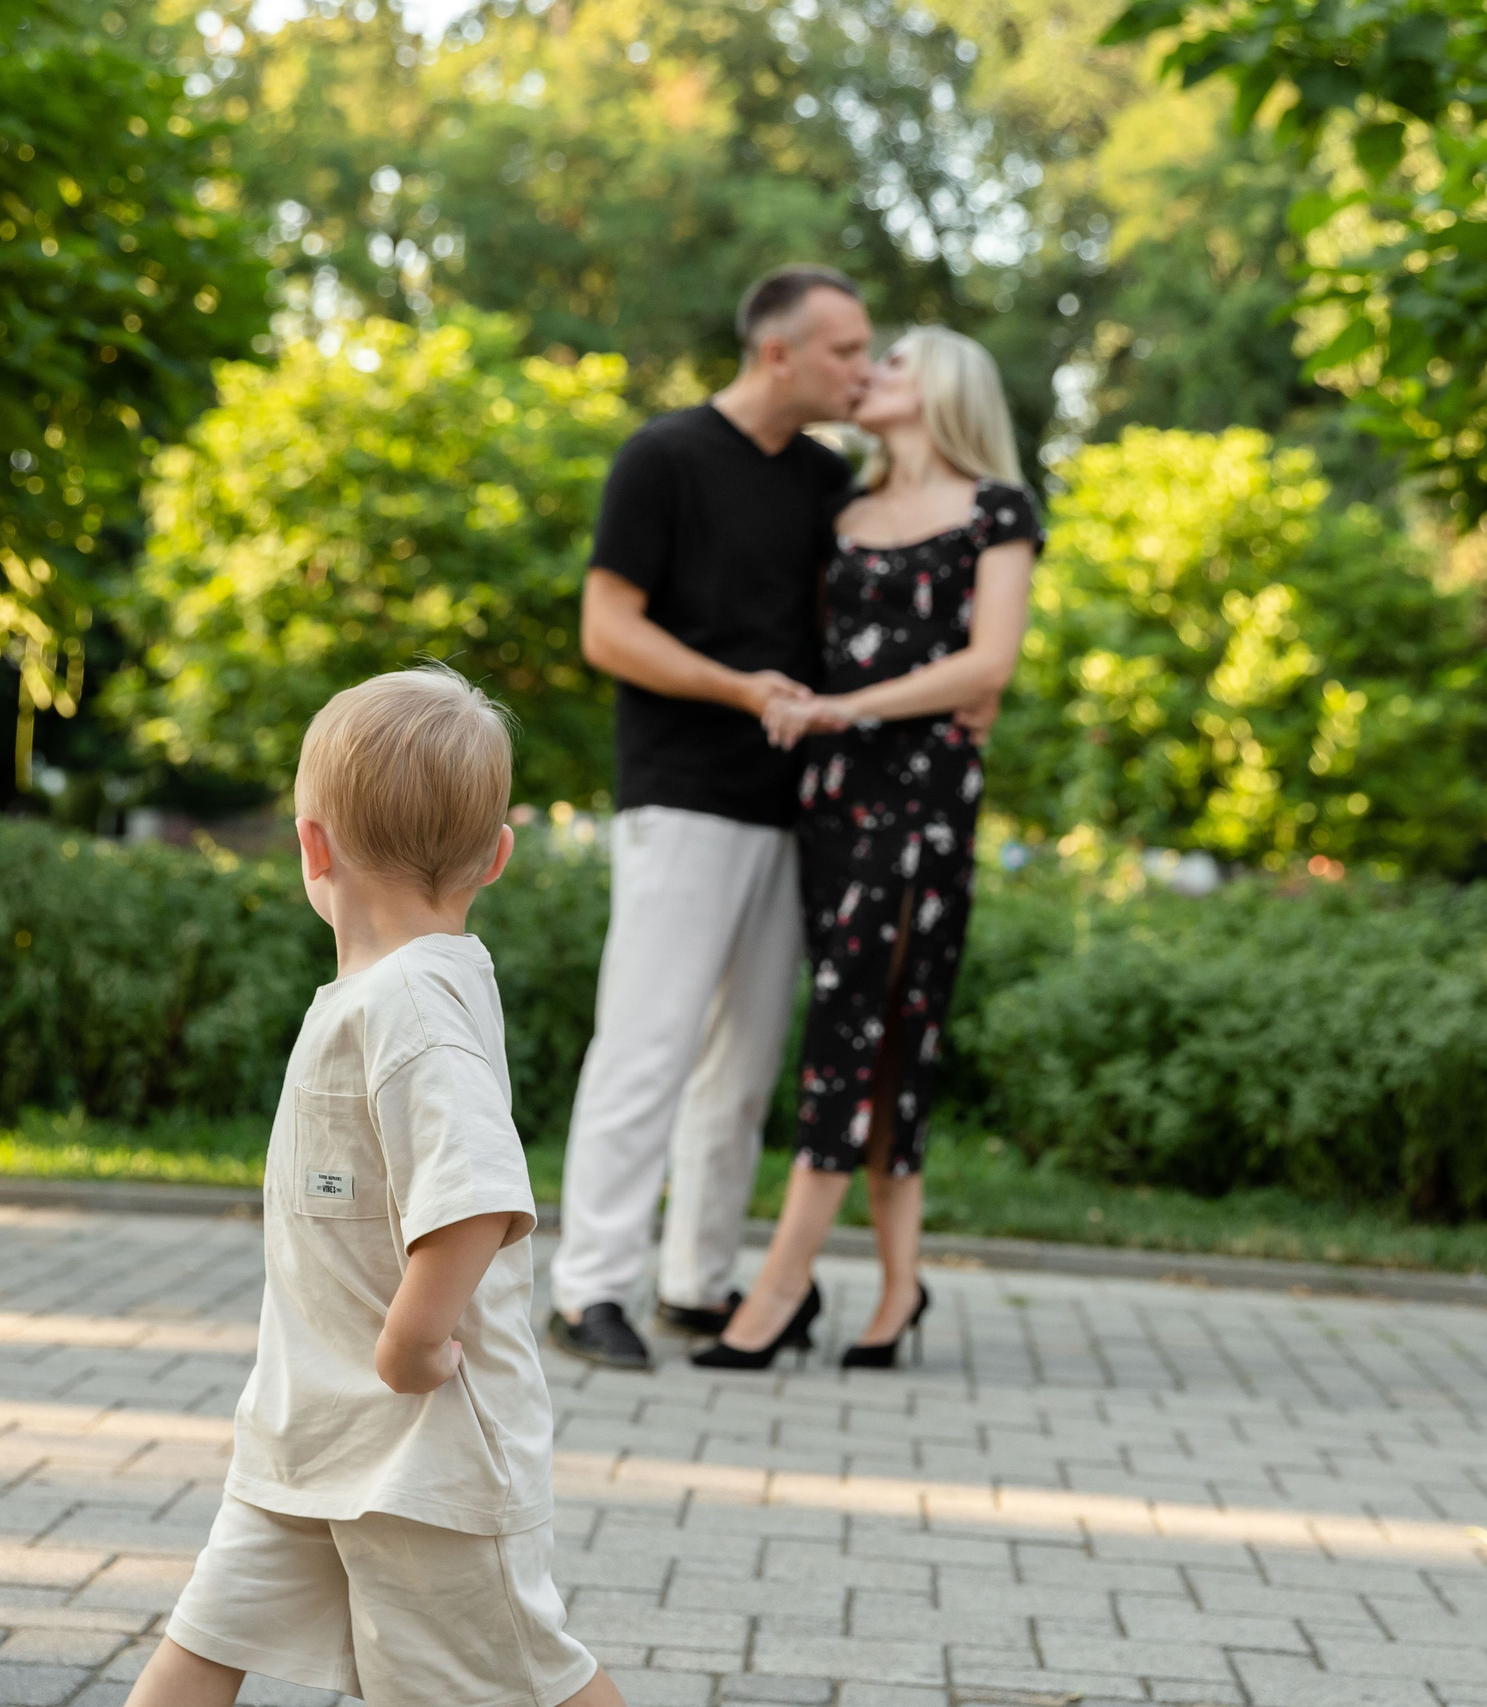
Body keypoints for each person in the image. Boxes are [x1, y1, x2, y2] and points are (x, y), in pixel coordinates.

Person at [125, 670, 621, 1707]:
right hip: (311, 1440)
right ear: (495, 857)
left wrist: (411, 1336)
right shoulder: (380, 995)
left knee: (519, 1679)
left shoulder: (414, 1004)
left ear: (312, 847)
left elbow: (479, 1190)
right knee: (203, 1641)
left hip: (419, 1462)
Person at [543, 265, 875, 1372]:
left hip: (794, 813)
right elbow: (606, 630)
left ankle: (694, 1282)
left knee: (740, 1071)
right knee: (647, 1047)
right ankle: (588, 1287)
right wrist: (741, 690)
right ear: (778, 351)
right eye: (845, 352)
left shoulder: (830, 482)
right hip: (681, 796)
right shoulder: (663, 458)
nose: (861, 370)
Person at [695, 326, 1041, 1372]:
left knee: (871, 1024)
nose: (869, 375)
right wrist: (819, 711)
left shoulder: (997, 510)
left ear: (941, 388)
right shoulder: (841, 512)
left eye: (891, 363)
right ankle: (897, 1288)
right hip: (831, 798)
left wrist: (855, 710)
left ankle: (781, 1283)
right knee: (877, 1033)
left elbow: (989, 666)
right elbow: (809, 649)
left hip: (926, 799)